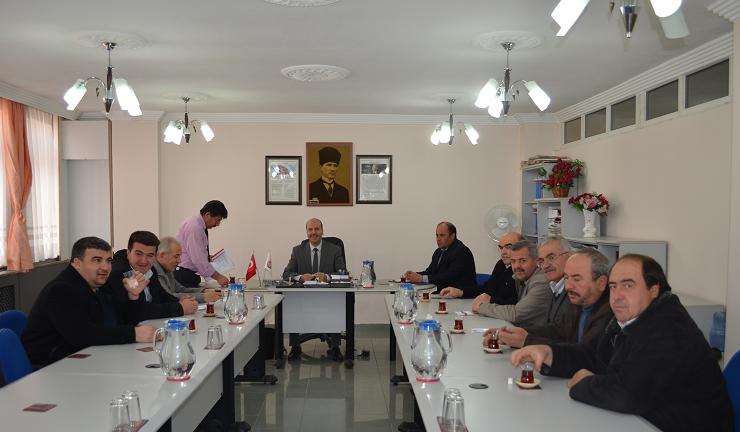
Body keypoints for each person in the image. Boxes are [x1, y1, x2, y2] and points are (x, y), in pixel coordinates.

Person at [511, 254, 733, 431]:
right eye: (613, 286)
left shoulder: (669, 328)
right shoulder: (631, 317)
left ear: (653, 290)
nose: (616, 296)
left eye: (628, 286)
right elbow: (593, 356)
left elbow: (628, 395)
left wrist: (584, 383)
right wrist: (549, 353)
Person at [21, 237, 155, 367]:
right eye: (97, 260)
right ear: (77, 263)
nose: (105, 267)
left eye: (108, 260)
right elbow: (82, 334)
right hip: (51, 367)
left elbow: (122, 322)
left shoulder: (102, 286)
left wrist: (133, 296)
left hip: (88, 359)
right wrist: (133, 334)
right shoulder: (61, 290)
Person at [484, 248, 612, 348]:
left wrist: (527, 341)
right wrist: (513, 333)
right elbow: (557, 331)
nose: (568, 286)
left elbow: (583, 354)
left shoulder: (609, 315)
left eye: (577, 279)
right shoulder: (580, 303)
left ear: (601, 283)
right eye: (566, 278)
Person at [282, 218, 347, 361]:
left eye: (317, 229)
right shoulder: (297, 250)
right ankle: (295, 346)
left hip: (328, 295)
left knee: (337, 302)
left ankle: (335, 346)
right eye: (310, 230)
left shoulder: (335, 250)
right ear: (306, 232)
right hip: (304, 296)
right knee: (292, 302)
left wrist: (327, 277)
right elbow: (286, 274)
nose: (313, 233)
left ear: (322, 231)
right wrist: (300, 277)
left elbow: (343, 273)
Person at [109, 231, 198, 324]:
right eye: (138, 254)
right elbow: (137, 312)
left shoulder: (151, 269)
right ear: (128, 252)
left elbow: (161, 295)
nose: (144, 261)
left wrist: (180, 301)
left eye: (150, 255)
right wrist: (179, 308)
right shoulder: (118, 274)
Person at [475, 240, 550, 327]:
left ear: (536, 261)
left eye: (523, 261)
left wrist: (481, 307)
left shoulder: (541, 282)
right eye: (513, 261)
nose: (517, 266)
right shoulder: (519, 277)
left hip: (537, 333)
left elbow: (516, 314)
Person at [404, 222, 477, 298]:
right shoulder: (438, 251)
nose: (438, 239)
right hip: (443, 294)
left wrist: (422, 278)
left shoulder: (461, 251)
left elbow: (449, 276)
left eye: (442, 235)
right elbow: (430, 271)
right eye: (437, 235)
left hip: (461, 297)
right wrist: (414, 275)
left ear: (452, 236)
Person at [174, 200, 230, 287]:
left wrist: (206, 257)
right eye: (218, 220)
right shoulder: (195, 227)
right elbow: (198, 259)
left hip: (187, 273)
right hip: (184, 275)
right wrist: (218, 277)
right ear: (207, 215)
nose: (218, 224)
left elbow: (194, 253)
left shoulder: (196, 224)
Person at [154, 237, 221, 304]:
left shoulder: (167, 268)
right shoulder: (154, 272)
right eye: (176, 256)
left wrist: (203, 291)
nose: (179, 261)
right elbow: (168, 296)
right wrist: (203, 297)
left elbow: (181, 289)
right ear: (162, 255)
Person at [469, 231, 522, 307]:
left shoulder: (522, 270)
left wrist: (491, 300)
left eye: (508, 247)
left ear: (522, 248)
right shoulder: (500, 264)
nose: (503, 252)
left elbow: (516, 302)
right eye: (501, 248)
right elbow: (487, 289)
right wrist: (461, 292)